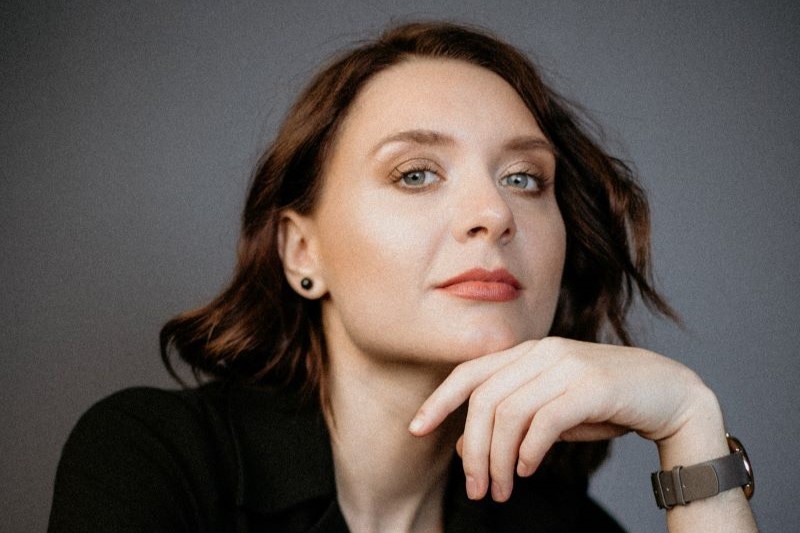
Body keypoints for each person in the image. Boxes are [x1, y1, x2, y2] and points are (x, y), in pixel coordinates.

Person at [48, 21, 757, 532]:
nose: (493, 214)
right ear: (302, 252)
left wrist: (690, 425)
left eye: (524, 177)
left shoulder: (556, 524)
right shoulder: (157, 459)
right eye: (415, 174)